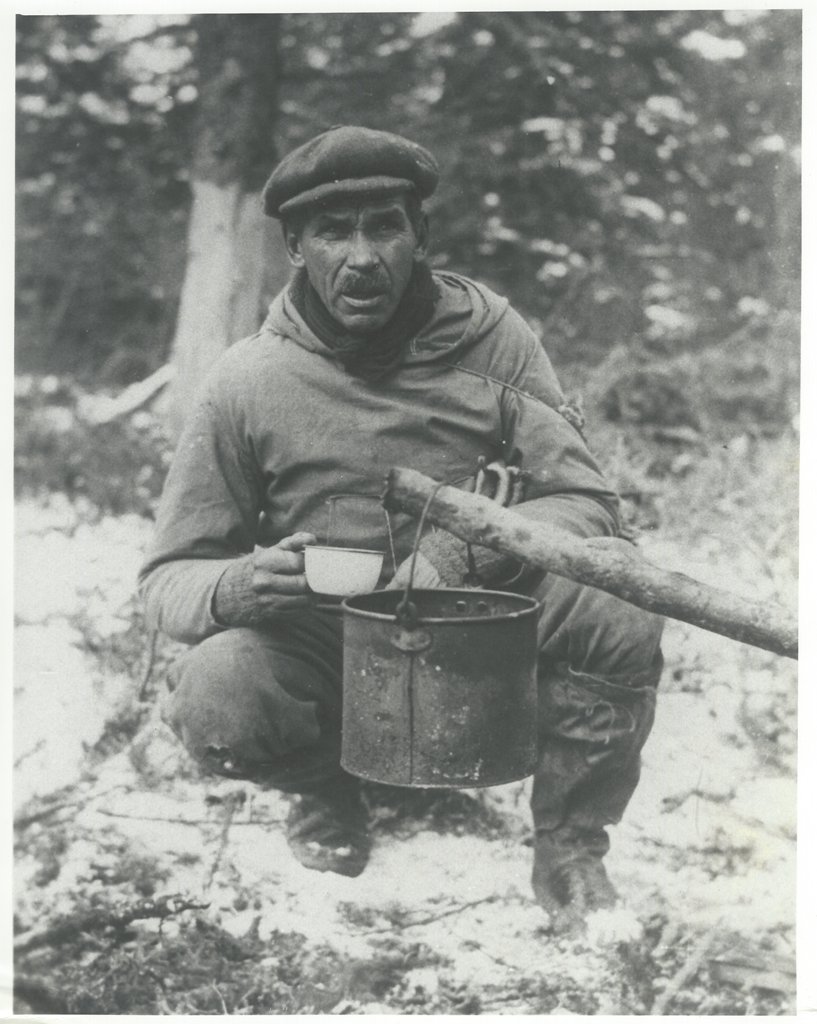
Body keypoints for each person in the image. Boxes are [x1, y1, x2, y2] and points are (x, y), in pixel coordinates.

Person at [140, 125, 664, 934]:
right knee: (217, 692)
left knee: (615, 607)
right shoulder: (247, 382)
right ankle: (326, 789)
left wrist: (463, 544)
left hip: (482, 621)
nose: (361, 257)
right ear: (294, 247)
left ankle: (569, 846)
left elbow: (586, 505)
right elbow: (166, 578)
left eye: (383, 226)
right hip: (330, 636)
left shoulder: (493, 342)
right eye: (332, 232)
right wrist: (241, 583)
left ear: (420, 235)